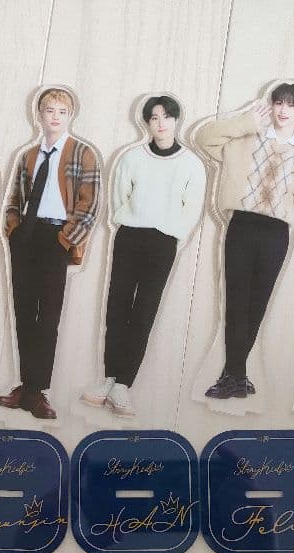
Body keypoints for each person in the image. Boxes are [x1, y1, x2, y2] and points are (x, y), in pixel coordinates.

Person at [80, 94, 206, 417]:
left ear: (176, 120)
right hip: (129, 236)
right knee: (117, 305)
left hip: (163, 242)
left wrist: (174, 235)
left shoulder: (191, 164)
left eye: (166, 117)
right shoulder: (132, 157)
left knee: (145, 309)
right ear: (147, 122)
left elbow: (191, 209)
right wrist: (126, 221)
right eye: (154, 118)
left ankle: (124, 384)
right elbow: (119, 196)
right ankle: (108, 378)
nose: (161, 124)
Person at [195, 82, 294, 399]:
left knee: (257, 304)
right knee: (236, 302)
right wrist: (246, 122)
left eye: (291, 104)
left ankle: (234, 375)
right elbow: (204, 139)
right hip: (242, 225)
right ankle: (236, 376)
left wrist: (285, 216)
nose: (283, 110)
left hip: (276, 233)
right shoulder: (248, 137)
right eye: (279, 103)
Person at [0, 87, 101, 420]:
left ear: (70, 116)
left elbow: (89, 205)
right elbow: (15, 198)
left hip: (57, 236)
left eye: (62, 112)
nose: (55, 117)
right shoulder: (29, 155)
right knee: (24, 312)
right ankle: (27, 386)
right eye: (49, 111)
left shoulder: (82, 153)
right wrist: (13, 230)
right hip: (26, 234)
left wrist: (65, 240)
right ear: (39, 115)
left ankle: (37, 391)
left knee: (48, 316)